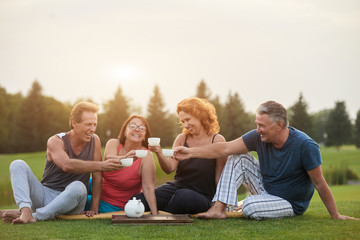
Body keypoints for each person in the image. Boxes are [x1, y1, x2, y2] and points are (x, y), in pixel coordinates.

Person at [174, 100, 359, 220]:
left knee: (251, 207)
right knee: (238, 157)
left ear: (279, 125)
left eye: (261, 125)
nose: (257, 129)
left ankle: (242, 205)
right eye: (257, 124)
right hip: (265, 188)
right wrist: (191, 152)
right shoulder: (258, 137)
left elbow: (319, 183)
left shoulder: (305, 145)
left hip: (289, 202)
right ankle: (218, 209)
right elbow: (225, 148)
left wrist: (336, 215)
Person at [1, 101, 124, 224]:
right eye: (88, 124)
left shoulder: (94, 140)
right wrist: (101, 165)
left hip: (72, 201)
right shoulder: (55, 141)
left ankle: (35, 216)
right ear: (74, 123)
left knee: (79, 187)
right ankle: (26, 211)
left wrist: (94, 208)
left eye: (94, 124)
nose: (92, 129)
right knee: (17, 164)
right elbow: (66, 164)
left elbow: (97, 176)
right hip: (45, 195)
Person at [135, 97, 227, 214]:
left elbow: (220, 177)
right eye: (183, 121)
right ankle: (166, 209)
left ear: (200, 116)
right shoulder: (181, 138)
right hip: (176, 188)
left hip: (202, 194)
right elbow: (169, 168)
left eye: (188, 120)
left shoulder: (217, 140)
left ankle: (163, 212)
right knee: (139, 200)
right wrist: (158, 152)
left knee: (183, 198)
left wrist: (219, 204)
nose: (186, 125)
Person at [85, 115, 158, 215]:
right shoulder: (113, 143)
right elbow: (109, 158)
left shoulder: (146, 156)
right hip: (98, 187)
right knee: (77, 183)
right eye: (132, 126)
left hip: (113, 203)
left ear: (145, 135)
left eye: (141, 128)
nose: (137, 130)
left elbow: (148, 188)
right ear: (124, 130)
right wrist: (126, 157)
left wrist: (155, 215)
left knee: (79, 201)